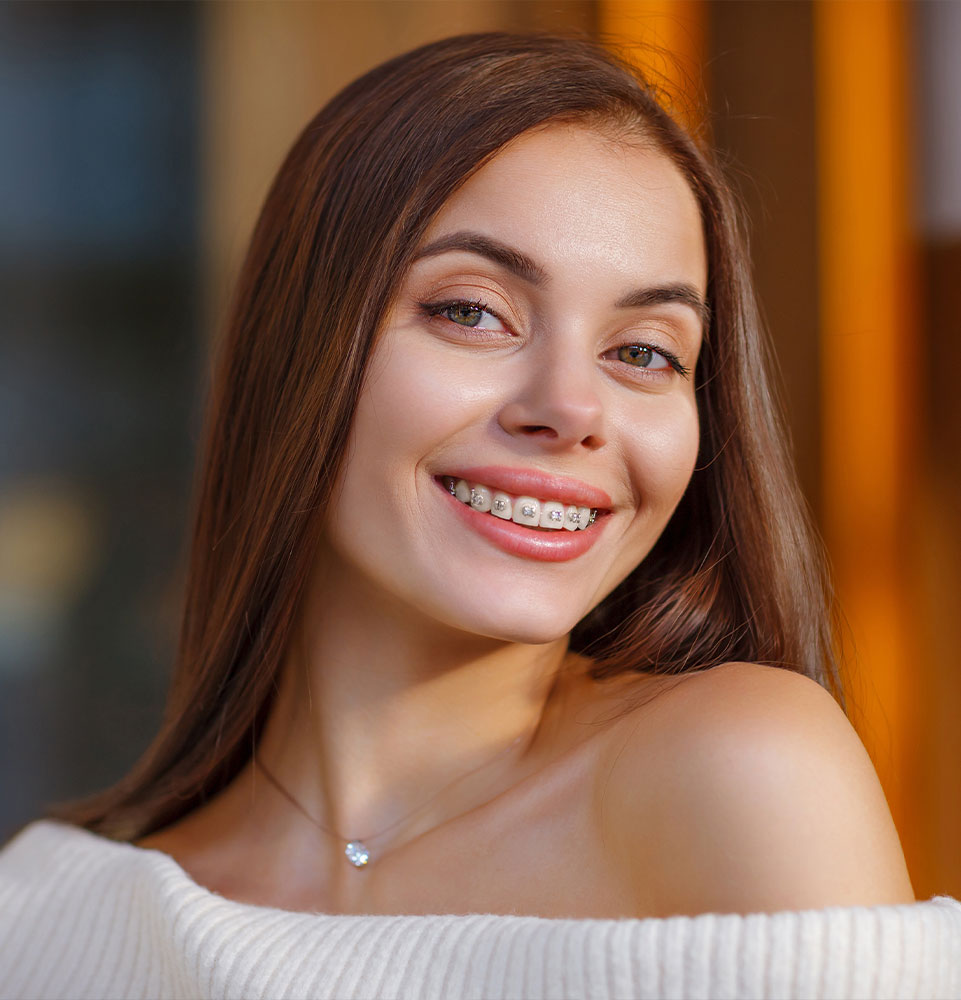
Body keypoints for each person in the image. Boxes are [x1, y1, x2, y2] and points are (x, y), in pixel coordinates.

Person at [1, 31, 959, 1000]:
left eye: (644, 352)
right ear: (297, 348)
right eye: (472, 311)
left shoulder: (739, 772)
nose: (572, 409)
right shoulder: (44, 920)